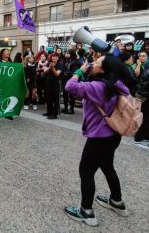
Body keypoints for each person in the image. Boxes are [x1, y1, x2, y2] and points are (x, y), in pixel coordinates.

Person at [64, 56, 131, 226]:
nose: (92, 64)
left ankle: (86, 212)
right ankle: (117, 202)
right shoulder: (116, 84)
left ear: (103, 69)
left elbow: (70, 86)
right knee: (108, 167)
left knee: (85, 171)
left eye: (96, 62)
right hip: (113, 135)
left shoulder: (96, 87)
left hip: (98, 137)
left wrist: (80, 70)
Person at [42, 53, 63, 119]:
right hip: (48, 83)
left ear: (58, 58)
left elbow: (57, 74)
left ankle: (55, 114)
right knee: (49, 98)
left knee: (56, 99)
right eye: (53, 56)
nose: (54, 58)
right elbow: (45, 71)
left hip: (56, 83)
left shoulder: (60, 64)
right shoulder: (49, 63)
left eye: (56, 56)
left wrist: (52, 67)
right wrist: (50, 67)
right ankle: (49, 112)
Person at [61, 49, 82, 114]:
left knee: (71, 95)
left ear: (71, 54)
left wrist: (65, 74)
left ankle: (71, 109)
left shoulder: (75, 62)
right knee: (65, 94)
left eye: (68, 53)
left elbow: (74, 72)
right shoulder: (68, 61)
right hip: (65, 80)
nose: (66, 54)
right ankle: (65, 108)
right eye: (66, 53)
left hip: (70, 80)